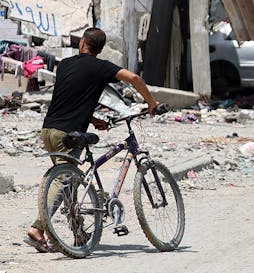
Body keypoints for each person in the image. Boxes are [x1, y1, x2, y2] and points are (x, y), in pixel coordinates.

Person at [28, 27, 159, 252]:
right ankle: (37, 228)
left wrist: (94, 119)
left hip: (49, 130)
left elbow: (70, 97)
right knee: (63, 181)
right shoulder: (101, 67)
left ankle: (79, 234)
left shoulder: (65, 64)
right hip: (68, 134)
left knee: (68, 182)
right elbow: (134, 78)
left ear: (82, 43)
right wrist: (151, 103)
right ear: (100, 48)